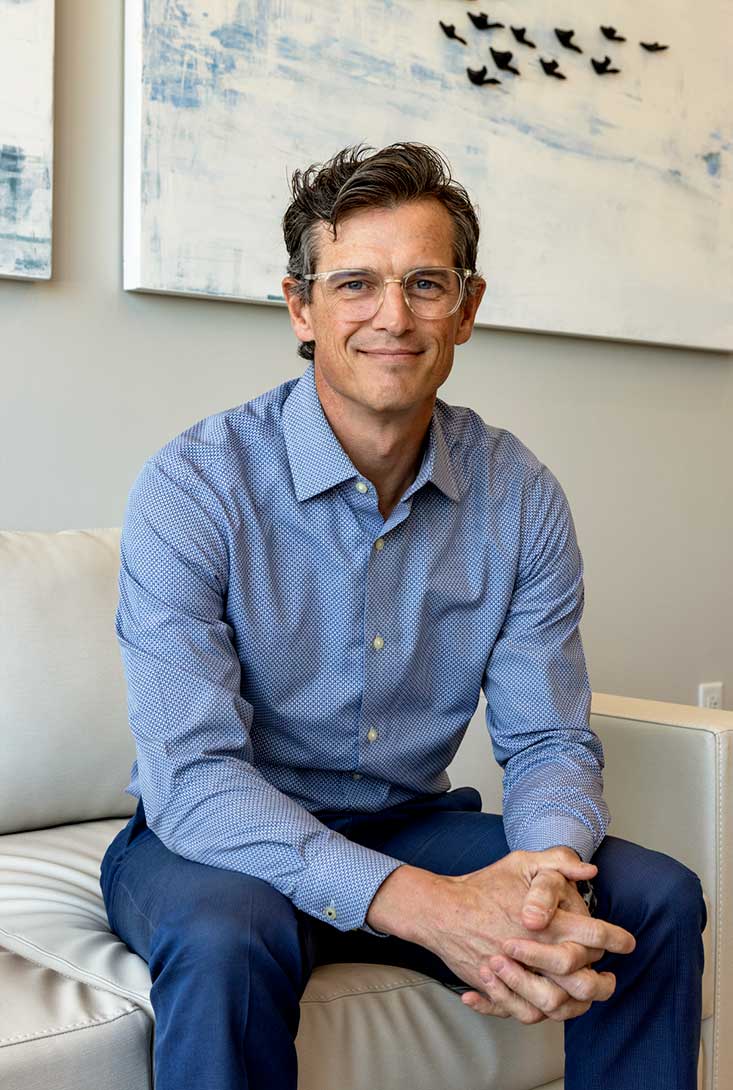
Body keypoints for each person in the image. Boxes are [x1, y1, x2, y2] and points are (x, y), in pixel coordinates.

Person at [100, 142, 706, 1090]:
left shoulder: (518, 495)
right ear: (301, 306)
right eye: (355, 285)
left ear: (466, 307)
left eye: (426, 284)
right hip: (216, 840)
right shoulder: (196, 485)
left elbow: (547, 738)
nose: (393, 316)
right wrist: (423, 905)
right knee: (228, 935)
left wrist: (543, 875)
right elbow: (193, 778)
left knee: (652, 898)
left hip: (404, 819)